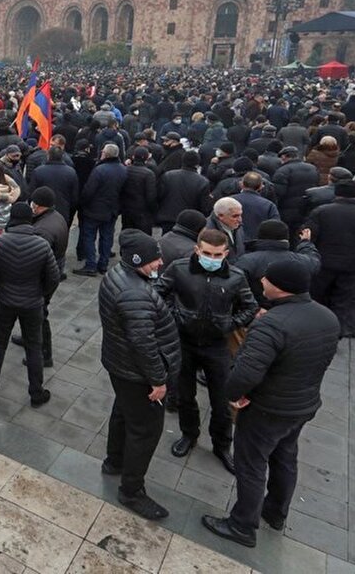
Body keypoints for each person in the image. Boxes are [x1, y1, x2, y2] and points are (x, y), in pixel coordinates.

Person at [202, 259, 340, 549]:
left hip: (266, 410)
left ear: (279, 287)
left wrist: (232, 394)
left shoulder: (272, 325)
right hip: (301, 407)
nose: (262, 280)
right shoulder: (327, 317)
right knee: (285, 458)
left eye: (267, 279)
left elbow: (245, 372)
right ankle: (276, 512)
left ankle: (242, 524)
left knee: (251, 465)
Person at [157, 228, 257, 474]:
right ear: (197, 250)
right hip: (184, 343)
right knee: (184, 396)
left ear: (226, 253)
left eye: (217, 255)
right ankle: (188, 435)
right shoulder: (180, 269)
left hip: (216, 346)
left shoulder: (235, 276)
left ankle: (222, 445)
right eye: (207, 253)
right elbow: (159, 294)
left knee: (222, 402)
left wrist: (230, 323)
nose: (211, 259)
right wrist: (175, 316)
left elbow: (250, 306)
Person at [98, 229, 180, 520]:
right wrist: (158, 380)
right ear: (136, 260)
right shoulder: (136, 293)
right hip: (136, 373)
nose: (159, 263)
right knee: (145, 430)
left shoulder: (116, 275)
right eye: (154, 259)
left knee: (123, 412)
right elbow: (143, 343)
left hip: (119, 365)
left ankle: (114, 461)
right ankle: (132, 491)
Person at [0, 203, 60, 403]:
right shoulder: (42, 245)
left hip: (5, 301)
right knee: (34, 347)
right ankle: (36, 392)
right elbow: (53, 278)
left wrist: (1, 286)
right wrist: (40, 293)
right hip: (33, 304)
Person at [307, 179, 355, 338]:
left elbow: (309, 237)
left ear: (337, 193)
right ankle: (336, 332)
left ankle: (312, 328)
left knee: (317, 297)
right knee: (342, 301)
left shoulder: (322, 211)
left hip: (323, 264)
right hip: (351, 267)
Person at [235, 221, 321, 306]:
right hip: (293, 310)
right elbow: (314, 261)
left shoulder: (247, 260)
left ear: (260, 236)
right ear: (286, 237)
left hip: (259, 311)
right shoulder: (300, 260)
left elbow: (236, 287)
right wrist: (305, 242)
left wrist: (253, 309)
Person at [75, 143, 128, 276]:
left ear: (106, 154)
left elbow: (89, 190)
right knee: (107, 237)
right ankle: (103, 264)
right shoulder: (123, 169)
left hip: (94, 209)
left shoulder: (99, 170)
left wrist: (83, 203)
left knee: (89, 236)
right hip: (112, 210)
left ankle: (91, 264)